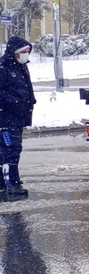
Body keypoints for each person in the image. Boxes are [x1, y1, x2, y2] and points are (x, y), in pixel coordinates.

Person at [0, 36, 35, 196]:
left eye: (28, 51)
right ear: (15, 52)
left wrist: (29, 102)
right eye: (24, 51)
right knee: (10, 150)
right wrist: (16, 102)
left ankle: (8, 181)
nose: (26, 54)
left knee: (12, 150)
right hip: (6, 117)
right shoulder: (4, 67)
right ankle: (11, 184)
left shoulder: (21, 67)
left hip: (17, 117)